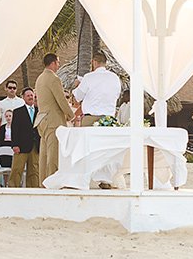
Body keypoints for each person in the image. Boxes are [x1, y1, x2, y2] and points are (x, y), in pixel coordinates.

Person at [35, 53, 74, 182]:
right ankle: (52, 181)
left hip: (41, 119)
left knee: (44, 155)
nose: (59, 65)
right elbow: (61, 100)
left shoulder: (40, 78)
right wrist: (71, 114)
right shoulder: (53, 78)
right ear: (52, 63)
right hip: (53, 120)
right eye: (58, 62)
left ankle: (43, 182)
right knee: (53, 154)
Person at [73, 51, 122, 127]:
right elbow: (117, 95)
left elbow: (78, 97)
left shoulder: (89, 77)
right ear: (105, 63)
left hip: (90, 119)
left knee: (89, 139)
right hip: (109, 120)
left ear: (94, 62)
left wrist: (77, 86)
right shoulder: (115, 78)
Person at [9, 88, 40, 188]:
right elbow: (14, 129)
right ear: (23, 98)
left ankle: (33, 191)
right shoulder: (18, 112)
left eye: (32, 95)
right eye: (28, 95)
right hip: (21, 146)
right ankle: (13, 189)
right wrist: (15, 145)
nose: (31, 97)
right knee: (17, 169)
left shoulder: (39, 111)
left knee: (34, 170)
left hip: (35, 146)